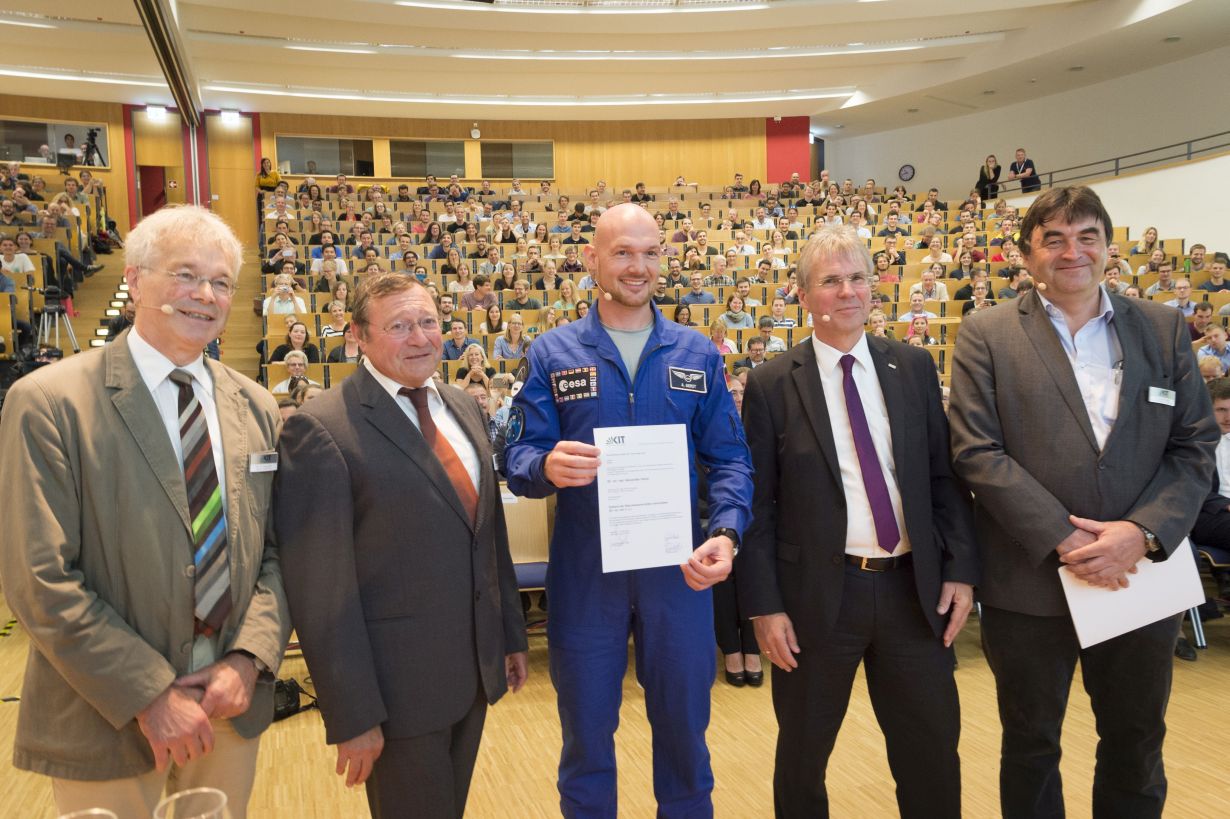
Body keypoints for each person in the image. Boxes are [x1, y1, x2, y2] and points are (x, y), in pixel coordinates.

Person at [0, 206, 289, 818]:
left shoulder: (256, 406)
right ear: (134, 279)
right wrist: (150, 693)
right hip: (106, 714)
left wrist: (249, 658)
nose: (204, 295)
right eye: (186, 274)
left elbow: (274, 553)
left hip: (227, 709)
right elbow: (40, 578)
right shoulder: (50, 402)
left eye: (221, 282)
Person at [948, 186, 1217, 819]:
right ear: (1027, 254)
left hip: (1138, 576)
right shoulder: (986, 333)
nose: (1074, 252)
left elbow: (1195, 444)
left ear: (1108, 247)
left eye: (1087, 236)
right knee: (1032, 745)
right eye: (1055, 239)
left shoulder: (1162, 327)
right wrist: (1066, 539)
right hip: (1031, 579)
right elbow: (975, 450)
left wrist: (1142, 533)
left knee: (1135, 741)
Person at [504, 203, 753, 817]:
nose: (637, 267)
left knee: (685, 742)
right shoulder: (552, 353)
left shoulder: (696, 353)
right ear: (592, 259)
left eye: (649, 252)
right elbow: (516, 454)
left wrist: (725, 531)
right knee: (586, 743)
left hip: (680, 575)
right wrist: (544, 467)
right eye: (622, 252)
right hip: (588, 575)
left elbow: (731, 460)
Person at [738, 225, 977, 818]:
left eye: (857, 278)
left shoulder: (914, 367)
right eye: (830, 281)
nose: (848, 292)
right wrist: (765, 607)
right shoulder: (771, 384)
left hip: (912, 592)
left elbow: (942, 480)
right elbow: (758, 507)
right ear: (804, 296)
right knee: (802, 758)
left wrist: (961, 570)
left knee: (931, 754)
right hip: (818, 599)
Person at [274, 274, 528, 818]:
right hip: (394, 695)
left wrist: (509, 636)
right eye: (399, 326)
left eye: (429, 322)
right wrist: (352, 713)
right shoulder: (322, 429)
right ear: (358, 336)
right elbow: (321, 592)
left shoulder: (460, 404)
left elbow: (488, 538)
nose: (420, 337)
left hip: (471, 675)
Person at [1191, 377, 1230, 600]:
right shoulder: (1195, 442)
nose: (1228, 417)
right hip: (1207, 513)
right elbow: (1192, 486)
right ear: (1207, 409)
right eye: (1221, 410)